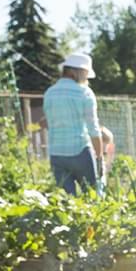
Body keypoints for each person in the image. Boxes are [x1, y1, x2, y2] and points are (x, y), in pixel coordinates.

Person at [43, 53, 103, 195]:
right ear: (77, 72)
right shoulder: (85, 93)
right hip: (80, 150)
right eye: (86, 74)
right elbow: (93, 128)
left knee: (67, 202)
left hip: (56, 153)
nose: (86, 78)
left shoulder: (49, 93)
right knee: (93, 197)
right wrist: (99, 157)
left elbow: (49, 123)